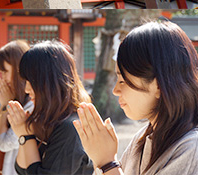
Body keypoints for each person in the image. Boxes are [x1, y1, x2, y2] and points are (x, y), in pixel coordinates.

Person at [74, 21, 198, 175]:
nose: (115, 91)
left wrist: (107, 162)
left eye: (122, 81)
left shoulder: (191, 148)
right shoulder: (141, 138)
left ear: (158, 85)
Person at [7, 41, 93, 175]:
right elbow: (22, 169)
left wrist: (26, 135)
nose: (26, 89)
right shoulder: (46, 118)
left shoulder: (71, 127)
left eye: (32, 81)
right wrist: (24, 135)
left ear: (50, 82)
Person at [0, 40, 32, 175]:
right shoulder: (14, 99)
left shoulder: (33, 104)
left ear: (19, 69)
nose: (3, 78)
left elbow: (4, 144)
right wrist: (3, 106)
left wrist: (6, 105)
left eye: (5, 71)